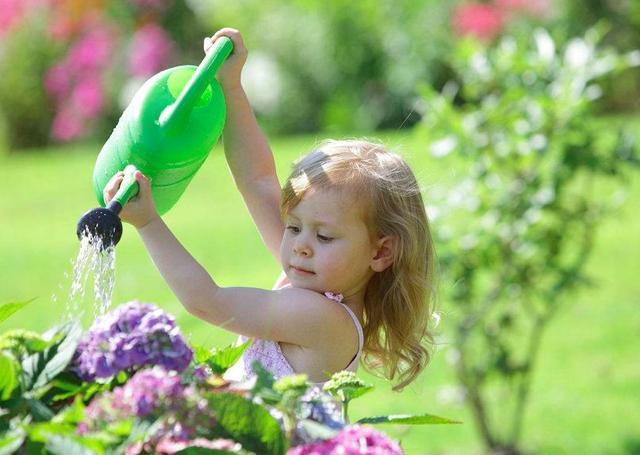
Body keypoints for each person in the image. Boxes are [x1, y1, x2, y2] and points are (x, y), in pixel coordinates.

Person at [103, 28, 437, 392]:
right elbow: (259, 180)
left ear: (381, 251)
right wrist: (231, 86)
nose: (300, 244)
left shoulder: (323, 318)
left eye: (324, 236)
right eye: (293, 227)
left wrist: (149, 223)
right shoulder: (314, 271)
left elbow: (209, 302)